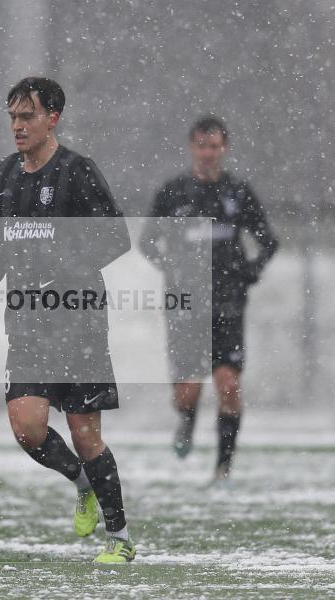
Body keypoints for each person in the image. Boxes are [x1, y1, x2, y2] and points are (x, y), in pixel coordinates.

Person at [0, 77, 135, 563]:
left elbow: (117, 240)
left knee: (85, 434)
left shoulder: (78, 172)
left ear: (53, 118)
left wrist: (61, 267)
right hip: (27, 324)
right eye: (12, 117)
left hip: (78, 323)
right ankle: (82, 484)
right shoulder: (4, 174)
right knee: (26, 427)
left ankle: (120, 539)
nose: (17, 126)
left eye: (26, 116)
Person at [140, 115, 278, 481]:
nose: (208, 153)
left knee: (229, 385)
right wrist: (173, 269)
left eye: (214, 146)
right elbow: (147, 242)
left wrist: (251, 270)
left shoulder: (239, 193)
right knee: (188, 391)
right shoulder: (173, 194)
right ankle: (186, 420)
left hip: (228, 304)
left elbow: (269, 241)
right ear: (192, 148)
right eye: (202, 145)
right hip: (186, 303)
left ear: (224, 149)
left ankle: (223, 468)